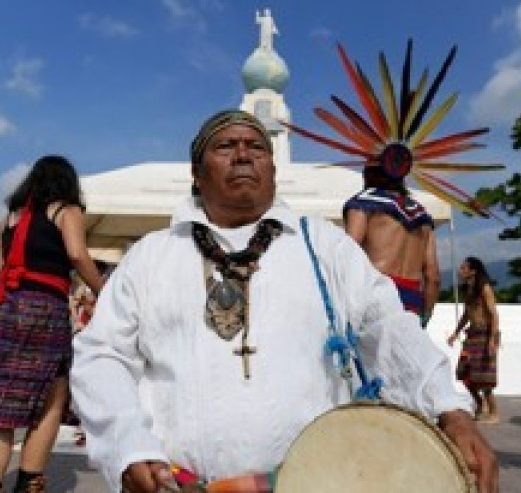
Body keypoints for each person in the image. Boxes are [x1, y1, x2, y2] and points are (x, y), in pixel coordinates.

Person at [71, 110, 498, 493]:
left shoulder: (323, 245)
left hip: (316, 481)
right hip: (177, 485)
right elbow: (102, 353)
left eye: (256, 146)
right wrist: (126, 443)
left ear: (273, 170)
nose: (243, 154)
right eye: (225, 146)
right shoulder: (151, 255)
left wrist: (450, 409)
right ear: (197, 175)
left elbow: (387, 326)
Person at [0, 155, 106, 493]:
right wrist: (104, 292)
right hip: (43, 310)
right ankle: (29, 484)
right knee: (52, 395)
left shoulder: (10, 218)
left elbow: (3, 266)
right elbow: (77, 255)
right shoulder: (66, 211)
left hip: (2, 309)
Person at [343, 164, 441, 324]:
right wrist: (425, 316)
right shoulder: (422, 215)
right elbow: (433, 277)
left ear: (368, 176)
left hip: (377, 298)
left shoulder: (363, 204)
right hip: (412, 304)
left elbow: (346, 256)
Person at [446, 257, 501, 424]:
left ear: (473, 271)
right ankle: (480, 404)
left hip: (486, 335)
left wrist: (492, 339)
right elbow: (466, 314)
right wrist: (455, 333)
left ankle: (494, 413)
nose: (460, 270)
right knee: (464, 373)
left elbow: (493, 314)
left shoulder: (484, 288)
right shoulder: (468, 289)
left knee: (484, 377)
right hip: (472, 336)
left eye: (464, 268)